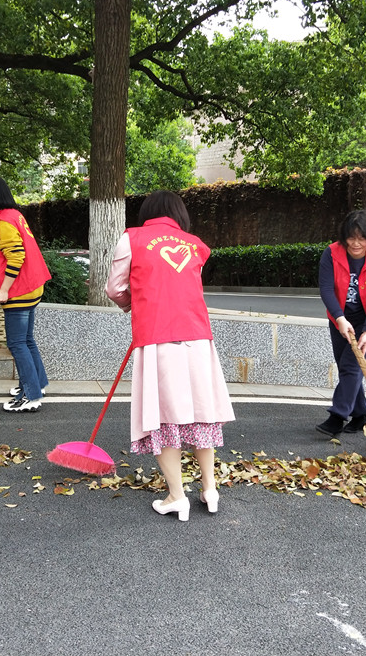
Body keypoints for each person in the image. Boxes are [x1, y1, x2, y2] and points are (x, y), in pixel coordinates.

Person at [105, 190, 235, 522]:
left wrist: (131, 303)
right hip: (198, 340)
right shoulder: (196, 245)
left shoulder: (131, 239)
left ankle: (177, 496)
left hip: (158, 339)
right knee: (200, 413)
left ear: (148, 212)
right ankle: (210, 489)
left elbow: (115, 289)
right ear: (179, 214)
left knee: (164, 418)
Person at [0, 175, 51, 413]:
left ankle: (31, 396)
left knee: (17, 343)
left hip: (19, 292)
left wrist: (3, 289)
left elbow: (16, 256)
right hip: (32, 287)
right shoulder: (14, 215)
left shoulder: (4, 222)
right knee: (27, 340)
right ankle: (36, 384)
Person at [316, 209, 366, 438]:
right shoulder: (331, 253)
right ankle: (359, 416)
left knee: (351, 367)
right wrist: (339, 318)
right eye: (351, 237)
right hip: (340, 318)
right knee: (347, 367)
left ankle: (337, 417)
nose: (356, 243)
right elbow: (326, 289)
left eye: (362, 238)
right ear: (344, 236)